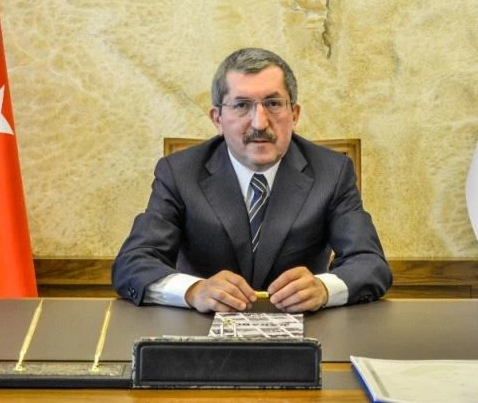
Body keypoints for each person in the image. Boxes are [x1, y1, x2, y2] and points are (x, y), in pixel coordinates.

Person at [113, 48, 392, 313]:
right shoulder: (179, 172)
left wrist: (324, 289)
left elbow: (370, 263)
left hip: (305, 330)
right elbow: (132, 263)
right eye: (241, 105)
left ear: (294, 114)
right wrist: (193, 291)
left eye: (273, 104)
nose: (259, 123)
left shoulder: (332, 172)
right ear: (217, 118)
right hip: (200, 331)